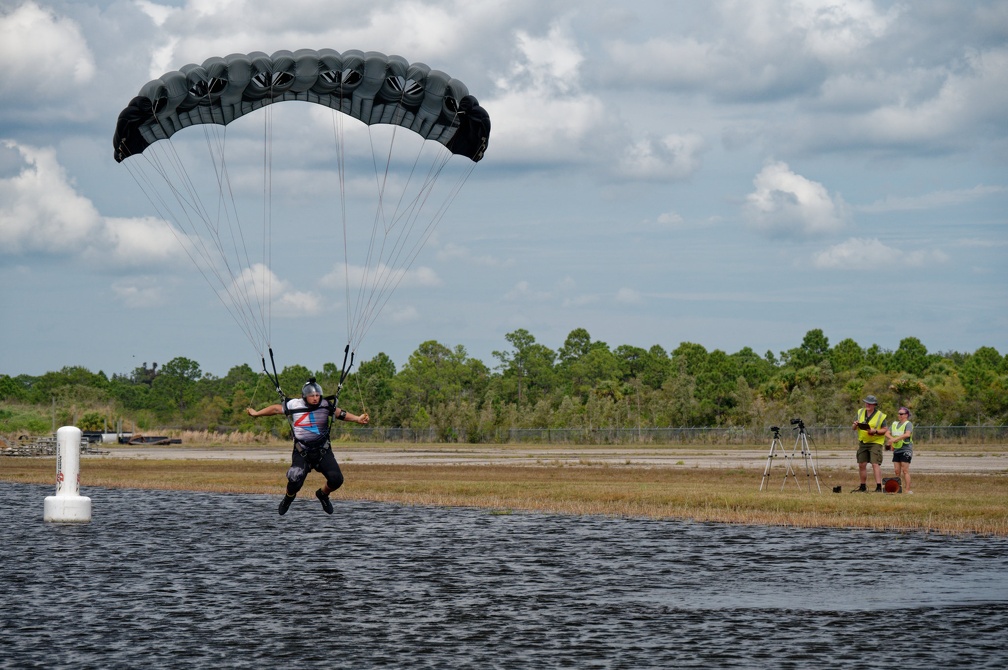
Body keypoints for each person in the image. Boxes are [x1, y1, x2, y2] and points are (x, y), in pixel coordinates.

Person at [247, 377, 369, 515]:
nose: (315, 398)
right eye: (312, 396)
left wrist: (358, 419)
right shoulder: (294, 404)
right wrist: (256, 413)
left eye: (317, 395)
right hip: (302, 451)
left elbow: (340, 413)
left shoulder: (325, 404)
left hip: (322, 451)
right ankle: (288, 498)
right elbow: (275, 409)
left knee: (337, 480)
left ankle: (323, 495)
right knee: (294, 480)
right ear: (305, 396)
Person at [852, 394, 887, 492]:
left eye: (870, 404)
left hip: (875, 442)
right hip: (863, 442)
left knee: (875, 464)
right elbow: (853, 427)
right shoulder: (860, 412)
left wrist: (875, 431)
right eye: (866, 403)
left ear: (874, 405)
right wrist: (855, 425)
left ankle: (879, 487)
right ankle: (862, 486)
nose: (867, 405)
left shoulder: (880, 415)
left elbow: (885, 429)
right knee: (861, 464)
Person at [885, 407, 914, 494]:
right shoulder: (894, 424)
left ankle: (907, 490)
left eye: (901, 414)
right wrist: (892, 439)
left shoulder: (908, 424)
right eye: (898, 413)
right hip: (897, 449)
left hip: (906, 449)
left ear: (906, 415)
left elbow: (907, 434)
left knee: (905, 470)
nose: (899, 415)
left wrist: (895, 439)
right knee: (897, 471)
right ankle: (897, 489)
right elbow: (887, 433)